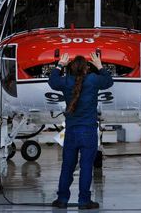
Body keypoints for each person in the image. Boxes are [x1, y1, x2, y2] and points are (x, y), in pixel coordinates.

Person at [48, 52, 113, 210]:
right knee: (86, 167)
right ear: (86, 69)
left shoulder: (66, 82)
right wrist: (99, 65)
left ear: (70, 68)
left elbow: (52, 82)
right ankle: (84, 201)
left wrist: (59, 65)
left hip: (71, 132)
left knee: (67, 167)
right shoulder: (92, 80)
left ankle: (62, 200)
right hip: (88, 131)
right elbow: (109, 81)